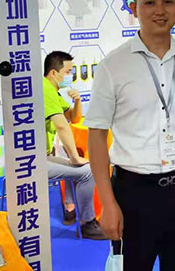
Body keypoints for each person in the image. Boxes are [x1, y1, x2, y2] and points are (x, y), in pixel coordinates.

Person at [86, 0, 175, 271]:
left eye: (168, 1)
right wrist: (107, 202)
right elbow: (96, 135)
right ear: (134, 8)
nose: (160, 10)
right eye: (149, 2)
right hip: (134, 192)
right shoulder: (113, 66)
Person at [42, 51, 106, 239]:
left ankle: (70, 210)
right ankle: (87, 222)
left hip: (43, 155)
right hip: (35, 161)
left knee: (73, 165)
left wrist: (77, 100)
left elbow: (73, 117)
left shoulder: (51, 90)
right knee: (87, 171)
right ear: (54, 73)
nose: (71, 75)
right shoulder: (45, 90)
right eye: (68, 72)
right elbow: (62, 125)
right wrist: (75, 157)